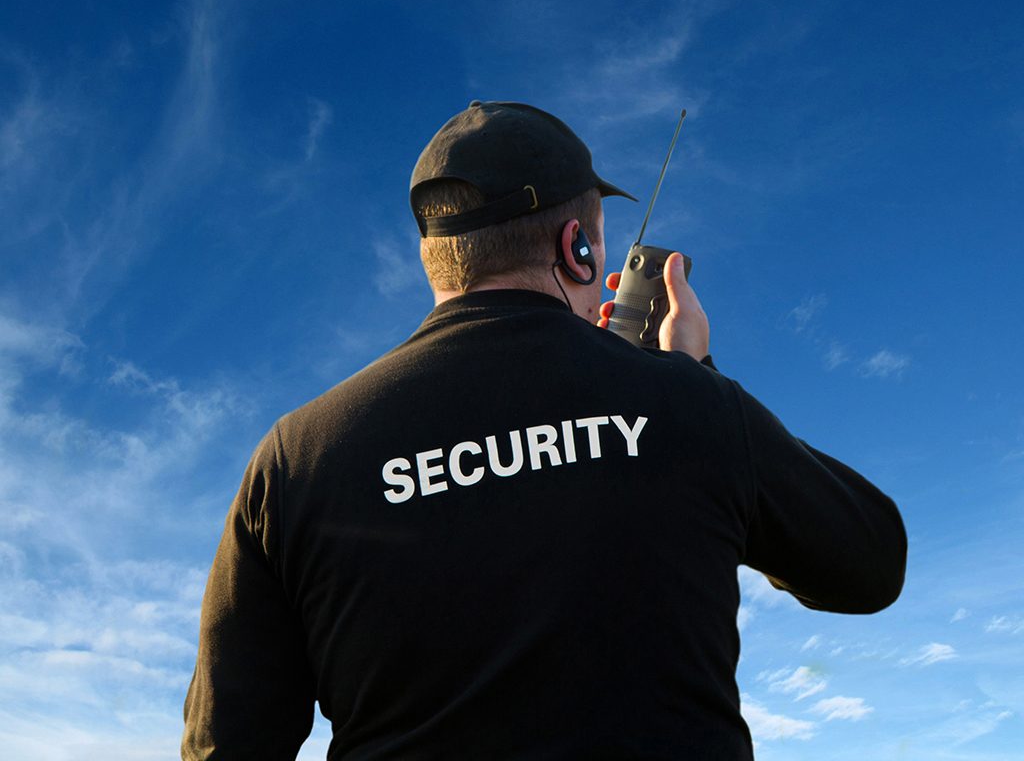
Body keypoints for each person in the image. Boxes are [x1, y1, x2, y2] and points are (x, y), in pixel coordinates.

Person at [181, 100, 907, 760]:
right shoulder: (692, 404)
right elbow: (872, 564)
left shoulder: (296, 456)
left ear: (437, 257)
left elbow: (225, 748)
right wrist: (693, 374)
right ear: (578, 249)